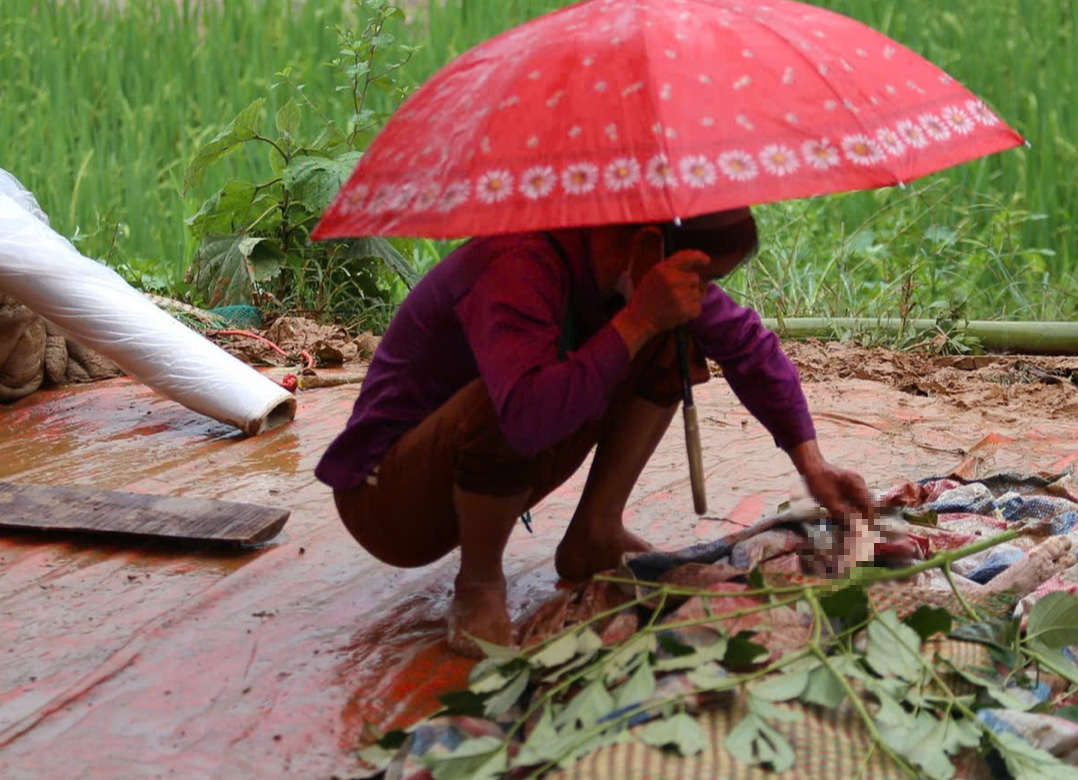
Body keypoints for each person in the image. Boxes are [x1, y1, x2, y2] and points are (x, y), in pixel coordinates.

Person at [316, 207, 873, 647]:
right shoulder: (518, 265)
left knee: (667, 336)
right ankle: (480, 583)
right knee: (522, 393)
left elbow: (748, 345)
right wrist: (636, 320)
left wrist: (812, 464)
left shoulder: (636, 269)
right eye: (706, 277)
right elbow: (527, 419)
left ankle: (595, 532)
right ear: (649, 245)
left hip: (485, 462)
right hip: (390, 501)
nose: (704, 291)